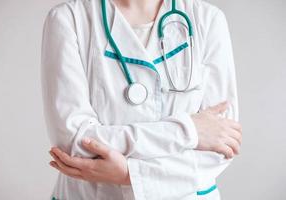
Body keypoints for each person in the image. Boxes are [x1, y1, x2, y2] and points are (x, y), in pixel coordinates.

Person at [41, 0, 242, 199]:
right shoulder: (69, 19)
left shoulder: (207, 19)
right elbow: (75, 142)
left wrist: (130, 174)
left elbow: (223, 143)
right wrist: (188, 130)